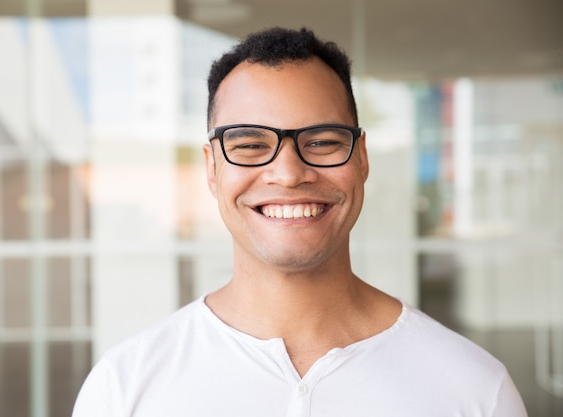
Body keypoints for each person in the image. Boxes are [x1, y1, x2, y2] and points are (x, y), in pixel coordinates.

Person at [72, 27, 528, 416]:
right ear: (212, 169)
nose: (289, 174)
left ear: (362, 159)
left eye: (323, 141)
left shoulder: (475, 391)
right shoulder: (124, 388)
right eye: (249, 144)